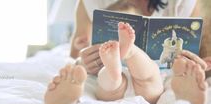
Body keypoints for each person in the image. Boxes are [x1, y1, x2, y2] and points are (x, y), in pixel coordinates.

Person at [44, 22, 163, 104]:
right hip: (148, 91)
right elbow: (74, 56)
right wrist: (83, 49)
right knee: (150, 75)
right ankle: (130, 52)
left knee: (108, 81)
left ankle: (114, 73)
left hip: (111, 91)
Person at [71, 0, 202, 75]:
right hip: (114, 72)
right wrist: (82, 62)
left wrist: (196, 64)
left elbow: (201, 55)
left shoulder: (181, 2)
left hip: (158, 76)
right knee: (110, 85)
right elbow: (75, 53)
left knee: (151, 83)